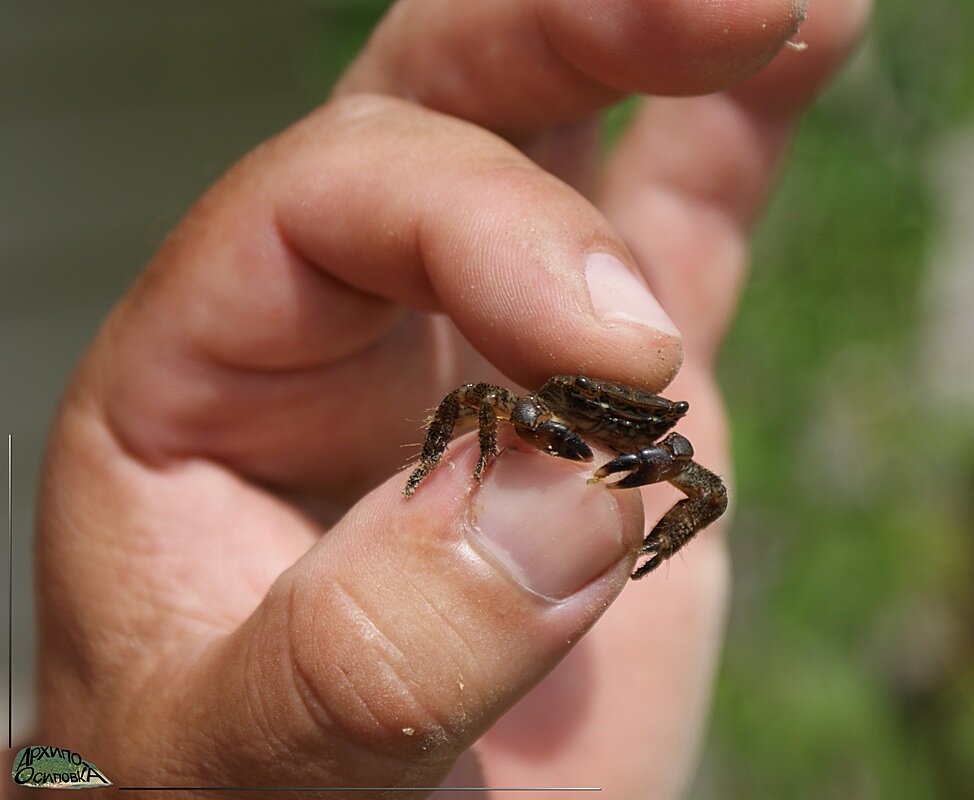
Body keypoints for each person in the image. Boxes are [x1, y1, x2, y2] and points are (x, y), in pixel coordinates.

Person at [26, 1, 867, 797]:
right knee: (490, 399)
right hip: (544, 411)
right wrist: (455, 460)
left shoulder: (655, 435)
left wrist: (653, 475)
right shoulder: (545, 396)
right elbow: (480, 395)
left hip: (599, 454)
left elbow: (698, 482)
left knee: (699, 477)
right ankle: (445, 473)